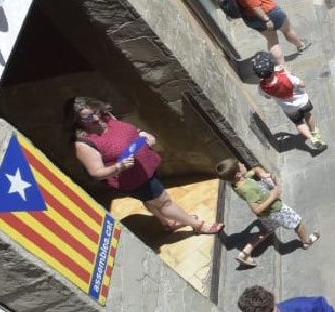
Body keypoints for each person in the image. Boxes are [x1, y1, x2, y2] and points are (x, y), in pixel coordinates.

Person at [68, 97, 222, 235]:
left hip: (146, 166)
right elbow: (96, 173)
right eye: (88, 117)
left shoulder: (107, 118)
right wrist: (118, 167)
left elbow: (128, 131)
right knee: (164, 202)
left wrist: (142, 134)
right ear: (76, 121)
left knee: (150, 200)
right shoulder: (84, 144)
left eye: (95, 111)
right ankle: (197, 225)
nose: (95, 117)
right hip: (132, 179)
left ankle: (167, 222)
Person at [218, 159, 318, 263]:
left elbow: (255, 170)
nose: (243, 164)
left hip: (266, 215)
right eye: (241, 165)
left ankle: (245, 252)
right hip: (276, 210)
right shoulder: (247, 189)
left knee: (267, 230)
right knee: (298, 223)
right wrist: (273, 196)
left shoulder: (237, 183)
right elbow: (256, 209)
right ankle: (307, 242)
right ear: (238, 174)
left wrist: (263, 174)